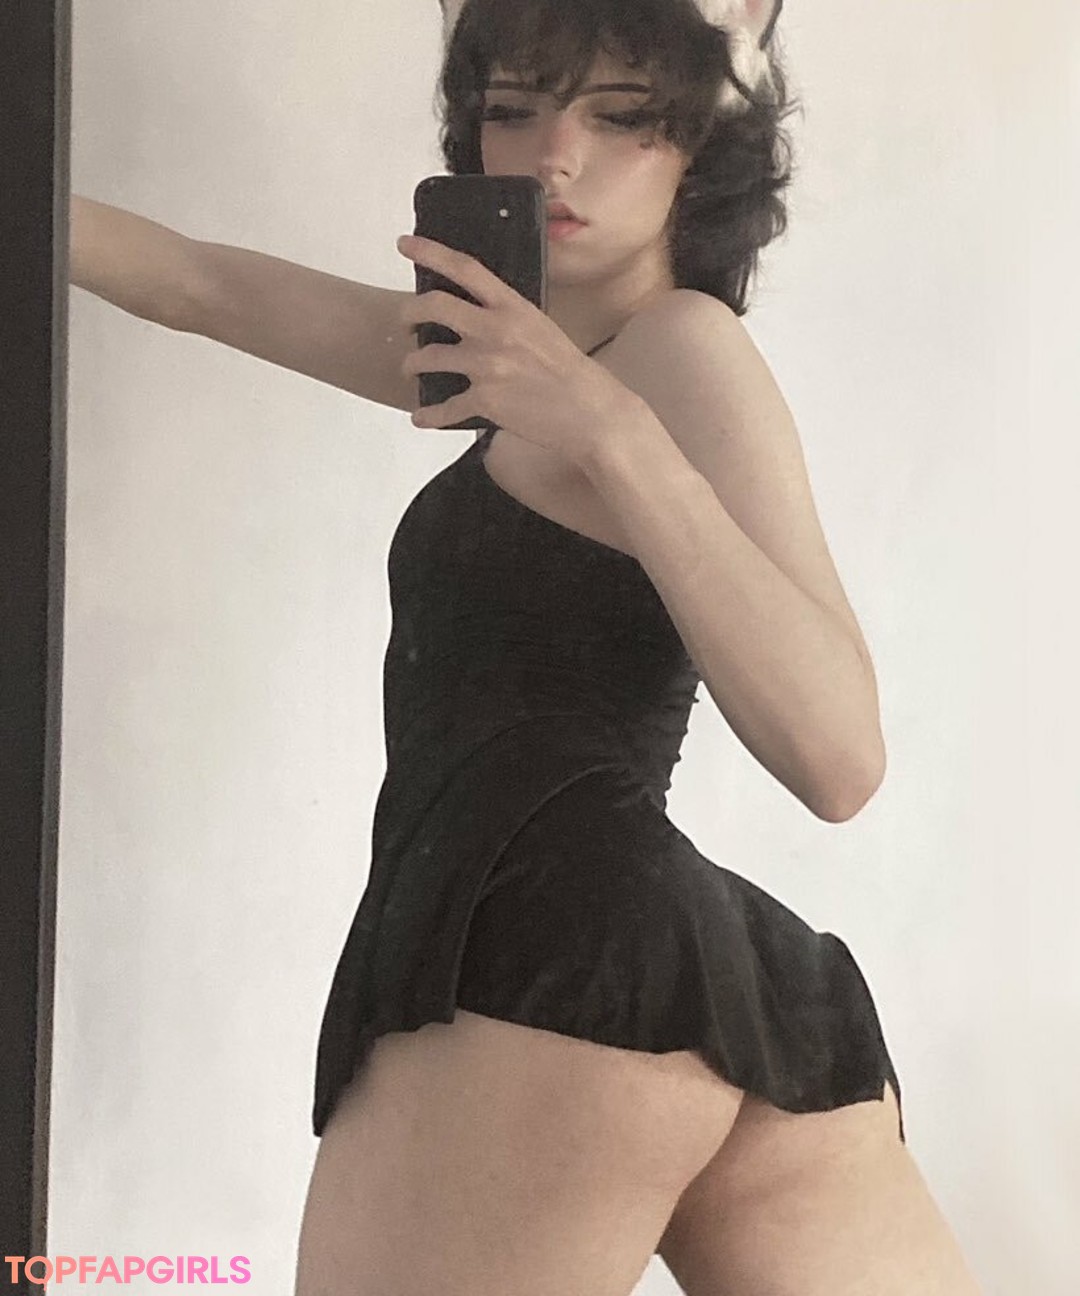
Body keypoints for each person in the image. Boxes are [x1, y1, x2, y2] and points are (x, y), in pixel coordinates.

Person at [71, 0, 985, 1291]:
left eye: (620, 118)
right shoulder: (506, 362)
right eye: (514, 110)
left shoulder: (683, 352)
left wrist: (608, 427)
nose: (556, 155)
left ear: (699, 150)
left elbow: (841, 758)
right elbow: (199, 286)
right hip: (663, 965)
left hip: (545, 941)